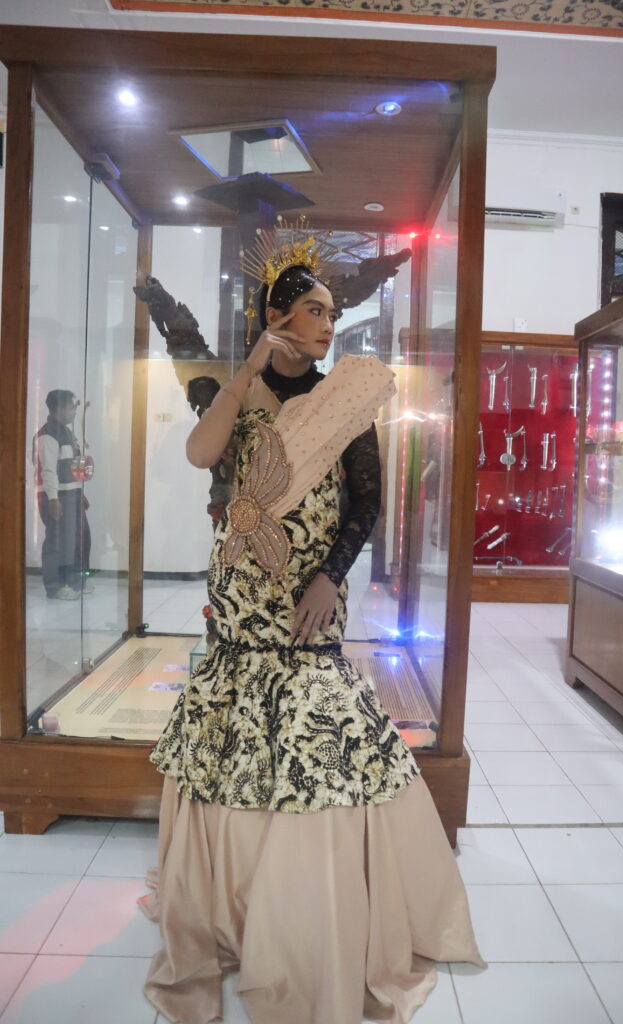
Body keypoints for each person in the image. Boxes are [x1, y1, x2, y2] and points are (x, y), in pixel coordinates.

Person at [140, 229, 484, 1024]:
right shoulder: (232, 391)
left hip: (307, 593)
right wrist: (245, 375)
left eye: (332, 311)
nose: (328, 324)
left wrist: (331, 577)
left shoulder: (344, 401)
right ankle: (234, 900)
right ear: (276, 317)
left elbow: (365, 503)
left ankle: (305, 902)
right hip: (240, 587)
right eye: (314, 311)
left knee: (318, 723)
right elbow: (200, 455)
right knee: (234, 726)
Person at [32, 389, 92, 600]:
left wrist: (80, 492)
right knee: (56, 543)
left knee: (79, 539)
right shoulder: (47, 435)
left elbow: (72, 467)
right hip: (57, 497)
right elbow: (48, 470)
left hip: (72, 495)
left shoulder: (66, 433)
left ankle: (75, 582)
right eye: (71, 407)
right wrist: (53, 499)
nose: (74, 412)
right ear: (58, 408)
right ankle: (55, 586)